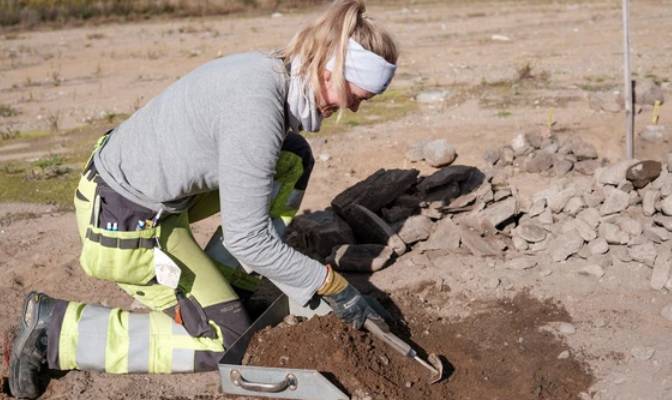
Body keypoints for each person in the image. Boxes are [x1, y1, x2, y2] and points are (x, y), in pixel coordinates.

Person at [8, 0, 398, 398]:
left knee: (291, 157)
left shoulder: (272, 73)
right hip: (125, 222)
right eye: (357, 95)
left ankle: (233, 281)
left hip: (153, 199)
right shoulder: (256, 106)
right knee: (225, 339)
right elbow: (248, 236)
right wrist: (331, 285)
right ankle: (55, 330)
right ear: (330, 67)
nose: (351, 108)